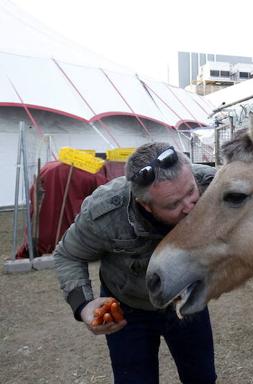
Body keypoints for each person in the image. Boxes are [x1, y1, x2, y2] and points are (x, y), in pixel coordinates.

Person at [54, 142, 217, 384]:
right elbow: (68, 254)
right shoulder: (105, 213)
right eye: (173, 205)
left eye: (191, 192)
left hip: (185, 299)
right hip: (128, 309)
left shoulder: (214, 184)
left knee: (202, 378)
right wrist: (84, 305)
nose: (189, 208)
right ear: (145, 205)